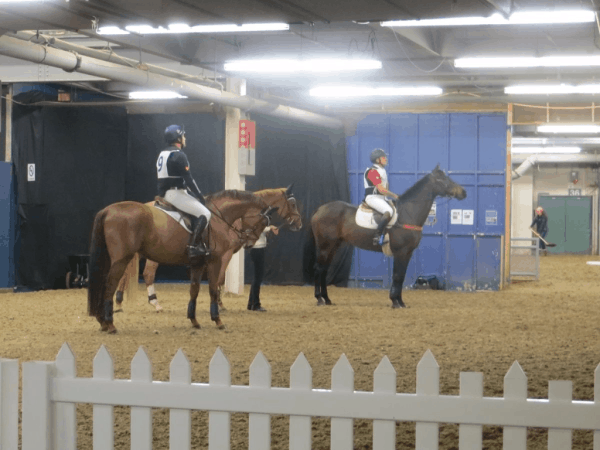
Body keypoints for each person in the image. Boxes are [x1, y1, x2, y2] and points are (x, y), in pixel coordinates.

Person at [157, 124, 211, 259]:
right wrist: (200, 196)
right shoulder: (179, 155)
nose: (185, 138)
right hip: (175, 194)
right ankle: (193, 247)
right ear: (178, 138)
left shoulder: (162, 153)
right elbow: (189, 180)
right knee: (205, 213)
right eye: (183, 136)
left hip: (166, 192)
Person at [364, 148, 400, 246]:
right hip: (372, 197)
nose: (386, 159)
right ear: (377, 160)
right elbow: (381, 190)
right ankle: (377, 236)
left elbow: (385, 189)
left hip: (381, 198)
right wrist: (394, 195)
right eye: (384, 157)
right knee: (389, 211)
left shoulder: (382, 170)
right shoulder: (372, 171)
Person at [247, 225, 279, 312]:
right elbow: (259, 227)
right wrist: (270, 228)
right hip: (258, 248)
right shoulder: (255, 218)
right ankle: (256, 304)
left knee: (257, 277)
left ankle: (251, 303)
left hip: (256, 248)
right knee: (258, 277)